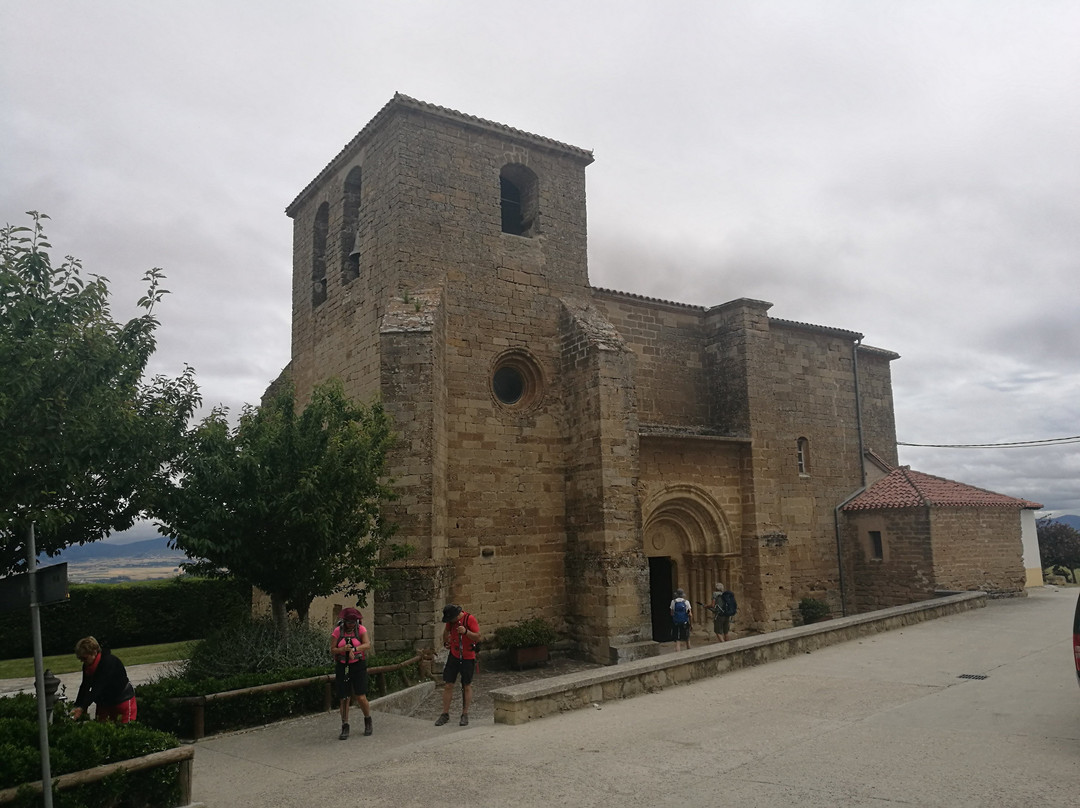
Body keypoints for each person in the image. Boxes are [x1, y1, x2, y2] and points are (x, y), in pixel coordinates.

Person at [71, 636, 137, 723]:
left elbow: (98, 687)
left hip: (122, 700)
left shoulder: (109, 662)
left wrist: (82, 707)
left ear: (94, 652)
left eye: (84, 658)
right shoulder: (88, 666)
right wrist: (77, 705)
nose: (82, 661)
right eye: (80, 659)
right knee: (101, 730)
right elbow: (84, 686)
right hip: (104, 703)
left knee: (125, 729)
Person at [331, 607, 372, 739]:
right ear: (344, 621)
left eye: (354, 622)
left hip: (358, 665)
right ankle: (345, 725)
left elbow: (367, 645)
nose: (351, 624)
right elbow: (332, 649)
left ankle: (368, 720)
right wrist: (342, 649)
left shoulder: (361, 629)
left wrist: (355, 649)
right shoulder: (338, 631)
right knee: (344, 697)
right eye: (349, 622)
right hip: (343, 666)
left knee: (360, 696)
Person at [435, 604, 480, 727]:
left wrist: (466, 632)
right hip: (454, 655)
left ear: (455, 616)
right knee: (448, 684)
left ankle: (464, 714)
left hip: (468, 657)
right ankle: (445, 714)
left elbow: (477, 636)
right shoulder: (451, 621)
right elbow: (446, 631)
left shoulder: (469, 619)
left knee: (466, 685)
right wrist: (446, 642)